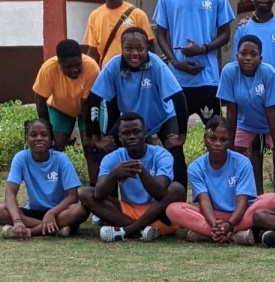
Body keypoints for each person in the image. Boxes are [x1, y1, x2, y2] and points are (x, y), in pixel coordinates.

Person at [86, 28, 189, 189]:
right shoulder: (113, 66)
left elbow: (179, 98)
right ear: (121, 48)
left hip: (162, 118)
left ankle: (178, 203)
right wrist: (97, 137)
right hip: (131, 121)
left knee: (175, 153)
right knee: (106, 150)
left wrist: (181, 136)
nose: (135, 53)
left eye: (140, 49)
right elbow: (94, 100)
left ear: (147, 47)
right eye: (129, 49)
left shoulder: (156, 64)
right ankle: (110, 205)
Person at [154, 0, 235, 127]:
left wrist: (202, 49)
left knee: (215, 133)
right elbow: (161, 35)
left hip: (207, 78)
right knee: (175, 134)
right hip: (176, 80)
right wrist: (176, 62)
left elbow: (225, 34)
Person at [166, 116, 275, 244]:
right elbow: (204, 202)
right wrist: (216, 224)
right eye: (212, 138)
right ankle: (233, 235)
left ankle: (212, 233)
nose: (217, 144)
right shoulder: (195, 167)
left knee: (272, 199)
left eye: (223, 140)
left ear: (230, 140)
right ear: (205, 139)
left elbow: (242, 203)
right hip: (213, 215)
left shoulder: (242, 162)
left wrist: (230, 224)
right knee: (173, 209)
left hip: (242, 213)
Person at [79, 113, 187, 242]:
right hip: (127, 211)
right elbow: (98, 195)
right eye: (126, 133)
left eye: (136, 132)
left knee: (177, 189)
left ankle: (128, 231)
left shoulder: (161, 154)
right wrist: (113, 175)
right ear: (119, 137)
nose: (132, 136)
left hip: (158, 213)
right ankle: (142, 230)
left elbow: (160, 192)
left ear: (145, 133)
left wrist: (140, 170)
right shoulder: (112, 158)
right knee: (86, 194)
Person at [217, 35, 275, 195]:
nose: (248, 58)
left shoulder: (268, 72)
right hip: (246, 124)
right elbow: (231, 111)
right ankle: (250, 194)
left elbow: (271, 111)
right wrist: (230, 144)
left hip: (273, 122)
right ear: (237, 55)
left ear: (260, 57)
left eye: (253, 54)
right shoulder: (229, 72)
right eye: (244, 53)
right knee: (229, 155)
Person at [1, 119, 87, 239]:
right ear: (26, 139)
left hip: (59, 212)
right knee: (1, 210)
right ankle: (56, 229)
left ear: (51, 139)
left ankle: (30, 232)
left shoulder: (61, 159)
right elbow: (10, 193)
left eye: (44, 134)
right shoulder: (21, 158)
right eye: (33, 135)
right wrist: (17, 220)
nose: (39, 138)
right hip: (32, 213)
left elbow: (72, 196)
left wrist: (52, 213)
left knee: (80, 210)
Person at [32, 39, 100, 183]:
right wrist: (47, 130)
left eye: (77, 65)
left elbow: (87, 103)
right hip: (60, 108)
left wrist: (88, 134)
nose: (74, 70)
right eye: (68, 67)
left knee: (91, 148)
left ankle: (95, 189)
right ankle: (52, 185)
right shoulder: (48, 69)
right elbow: (40, 99)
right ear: (59, 64)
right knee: (54, 148)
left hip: (85, 110)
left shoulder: (91, 67)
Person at [84, 0, 155, 68]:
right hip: (108, 75)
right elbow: (93, 52)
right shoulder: (94, 16)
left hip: (134, 74)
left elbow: (150, 47)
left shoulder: (138, 14)